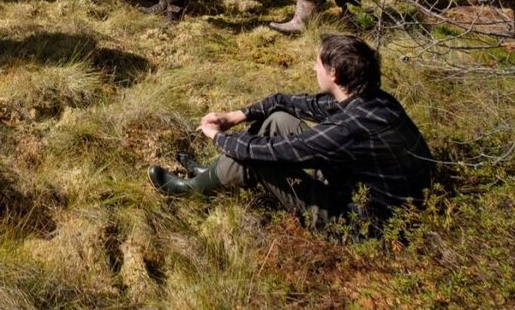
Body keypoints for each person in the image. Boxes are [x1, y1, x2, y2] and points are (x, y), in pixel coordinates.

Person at [147, 34, 432, 235]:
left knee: (256, 157)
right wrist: (236, 116)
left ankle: (190, 189)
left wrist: (217, 137)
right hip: (364, 187)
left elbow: (273, 151)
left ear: (333, 74)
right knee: (278, 119)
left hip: (365, 223)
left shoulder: (349, 127)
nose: (312, 68)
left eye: (317, 64)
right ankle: (209, 172)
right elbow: (284, 101)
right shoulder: (372, 99)